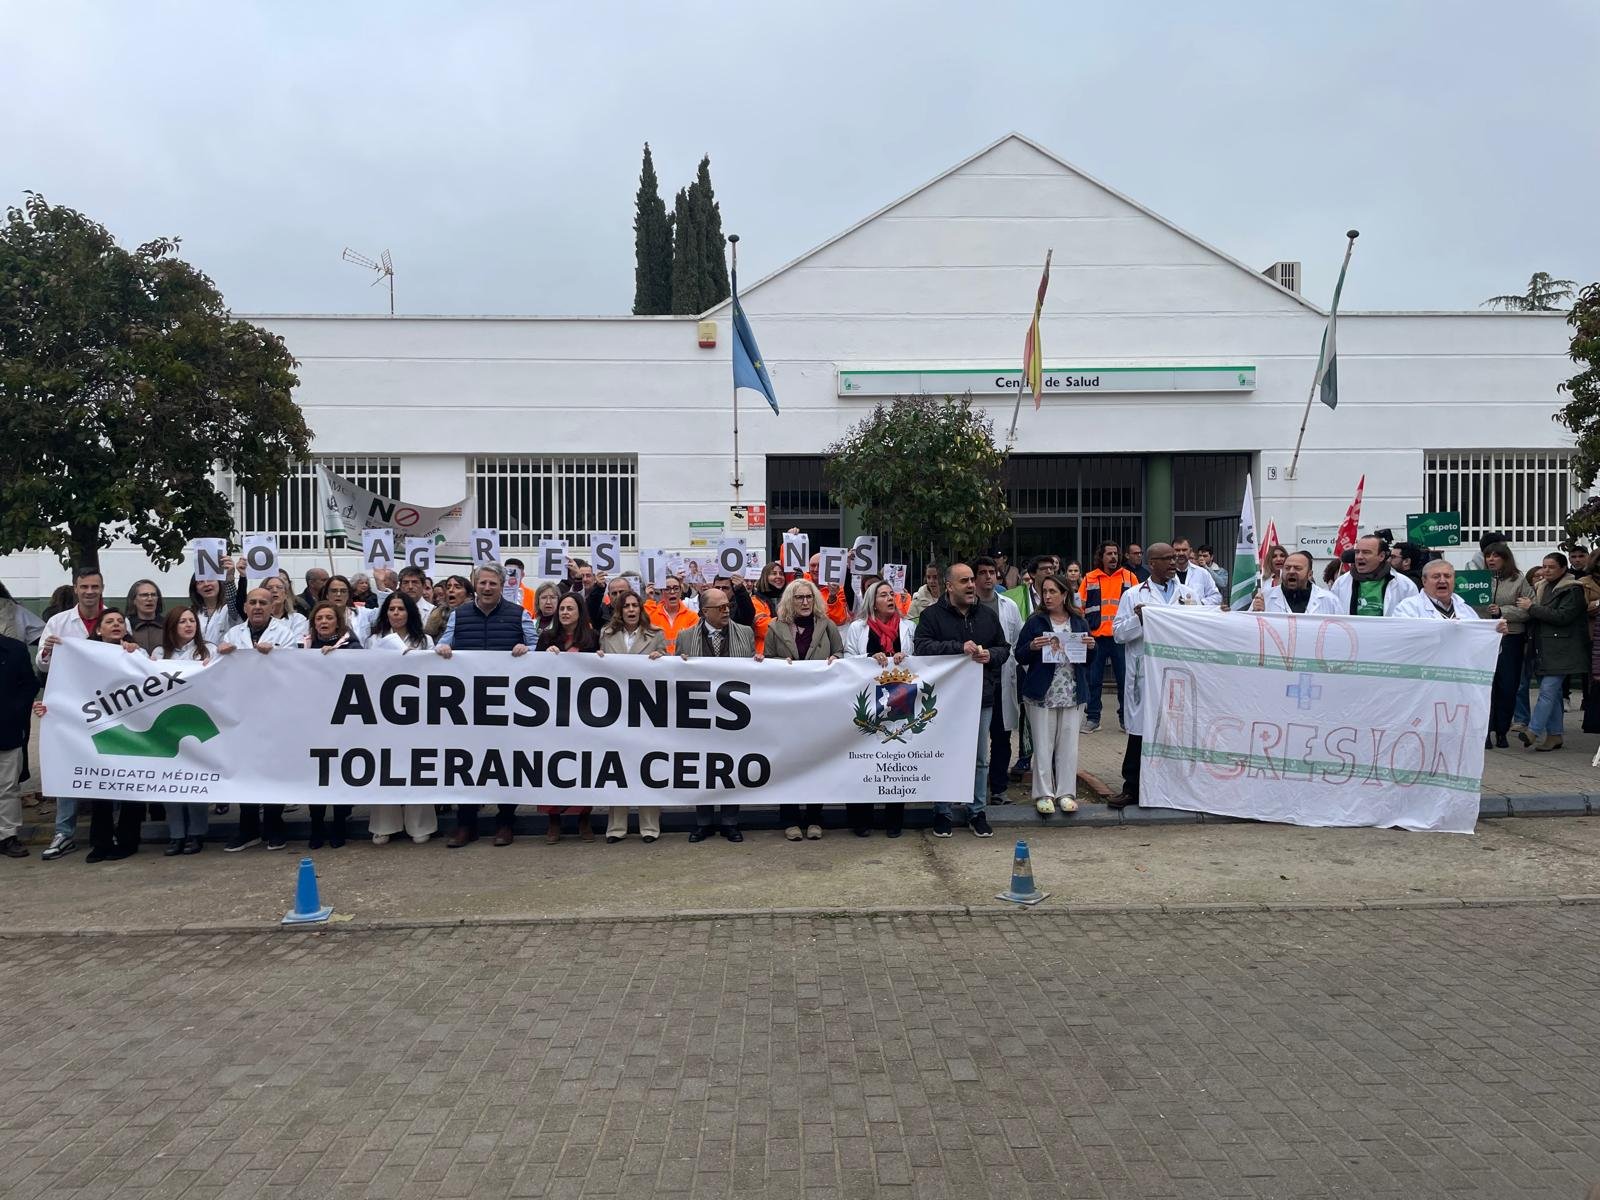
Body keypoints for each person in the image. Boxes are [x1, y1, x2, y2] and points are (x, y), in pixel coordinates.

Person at [436, 564, 541, 847]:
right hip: (468, 706)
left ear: (501, 585)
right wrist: (443, 649)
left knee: (506, 764)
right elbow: (443, 644)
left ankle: (506, 822)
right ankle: (465, 824)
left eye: (492, 583)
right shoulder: (459, 615)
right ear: (475, 585)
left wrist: (526, 650)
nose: (487, 588)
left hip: (507, 705)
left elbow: (537, 647)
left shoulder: (519, 614)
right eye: (482, 583)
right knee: (467, 765)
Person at [914, 562, 1008, 838]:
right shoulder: (931, 616)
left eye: (971, 581)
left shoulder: (988, 616)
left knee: (980, 758)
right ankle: (942, 812)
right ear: (949, 586)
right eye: (964, 581)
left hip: (981, 697)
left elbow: (1004, 648)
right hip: (944, 701)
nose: (971, 585)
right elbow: (921, 648)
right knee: (945, 755)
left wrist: (991, 655)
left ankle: (976, 810)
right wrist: (958, 648)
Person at [1109, 543, 1199, 809]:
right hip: (1145, 673)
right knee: (1139, 731)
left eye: (1175, 557)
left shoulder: (1189, 594)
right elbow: (1118, 634)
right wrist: (1139, 619)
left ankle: (1176, 788)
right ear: (1152, 563)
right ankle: (1132, 788)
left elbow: (1199, 627)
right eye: (1167, 558)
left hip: (1177, 672)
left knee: (1174, 730)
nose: (1174, 561)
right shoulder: (1134, 595)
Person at [218, 589, 300, 851]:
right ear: (244, 607)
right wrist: (221, 653)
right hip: (242, 714)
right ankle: (248, 828)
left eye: (263, 603)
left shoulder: (284, 634)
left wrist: (275, 653)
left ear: (272, 606)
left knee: (273, 770)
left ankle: (275, 827)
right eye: (252, 602)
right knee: (245, 771)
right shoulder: (233, 635)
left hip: (275, 713)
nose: (257, 607)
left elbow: (295, 667)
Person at [763, 578, 844, 839]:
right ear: (790, 600)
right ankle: (790, 819)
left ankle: (814, 818)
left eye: (809, 597)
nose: (805, 602)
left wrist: (836, 660)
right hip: (788, 708)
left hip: (819, 707)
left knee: (816, 761)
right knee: (789, 762)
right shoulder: (775, 628)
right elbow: (767, 660)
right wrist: (779, 662)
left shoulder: (827, 626)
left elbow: (841, 654)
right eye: (799, 597)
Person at [677, 587, 759, 842]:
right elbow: (675, 674)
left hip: (734, 714)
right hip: (699, 715)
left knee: (731, 767)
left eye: (728, 606)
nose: (726, 610)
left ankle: (730, 822)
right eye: (720, 607)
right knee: (703, 768)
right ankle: (703, 822)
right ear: (704, 611)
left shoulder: (745, 634)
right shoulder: (686, 636)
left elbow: (753, 674)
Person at [1013, 574, 1094, 818]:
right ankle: (1044, 794)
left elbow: (1089, 659)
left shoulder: (1078, 622)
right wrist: (1032, 647)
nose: (1047, 596)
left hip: (1072, 691)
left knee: (1068, 746)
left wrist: (1092, 646)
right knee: (1043, 744)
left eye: (1052, 592)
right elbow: (1019, 654)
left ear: (1064, 595)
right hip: (1042, 693)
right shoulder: (1036, 621)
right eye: (1044, 591)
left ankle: (1066, 793)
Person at [841, 580, 917, 837]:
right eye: (883, 595)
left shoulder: (908, 628)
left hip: (899, 701)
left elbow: (920, 661)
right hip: (865, 702)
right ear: (872, 601)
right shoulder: (857, 628)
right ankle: (861, 820)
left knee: (895, 759)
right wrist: (868, 659)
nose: (889, 598)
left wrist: (905, 659)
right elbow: (848, 659)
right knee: (863, 760)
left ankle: (894, 820)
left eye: (891, 594)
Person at [597, 591, 667, 843]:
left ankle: (649, 827)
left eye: (635, 605)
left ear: (641, 608)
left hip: (647, 711)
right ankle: (617, 827)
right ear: (619, 609)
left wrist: (663, 659)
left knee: (647, 766)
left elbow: (670, 671)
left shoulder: (656, 634)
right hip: (616, 712)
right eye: (625, 606)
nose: (630, 610)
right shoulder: (606, 634)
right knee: (617, 767)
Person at [538, 594, 600, 842]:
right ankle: (553, 820)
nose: (564, 612)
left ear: (580, 612)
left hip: (584, 714)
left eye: (570, 608)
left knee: (583, 765)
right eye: (562, 608)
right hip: (553, 713)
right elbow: (532, 671)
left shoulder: (592, 639)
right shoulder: (547, 638)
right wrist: (544, 654)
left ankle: (583, 818)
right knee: (552, 765)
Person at [1517, 552, 1588, 752]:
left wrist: (1532, 608)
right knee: (1554, 695)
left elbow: (1562, 616)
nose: (1545, 570)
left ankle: (1533, 730)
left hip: (1562, 650)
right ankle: (1555, 735)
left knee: (1547, 691)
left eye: (1551, 567)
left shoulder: (1572, 590)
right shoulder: (1540, 587)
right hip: (1542, 648)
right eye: (1544, 566)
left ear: (1563, 569)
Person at [972, 556, 1023, 803]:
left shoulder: (1008, 606)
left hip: (1003, 680)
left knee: (1001, 738)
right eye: (982, 573)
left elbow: (1017, 640)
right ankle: (970, 790)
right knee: (973, 741)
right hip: (974, 685)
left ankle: (999, 789)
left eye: (992, 572)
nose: (988, 577)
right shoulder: (966, 607)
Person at [1079, 543, 1138, 733]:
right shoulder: (1090, 578)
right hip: (1096, 637)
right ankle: (1093, 718)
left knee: (1124, 680)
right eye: (1109, 554)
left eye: (1116, 553)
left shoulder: (1130, 578)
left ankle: (1125, 718)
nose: (1113, 557)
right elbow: (1080, 607)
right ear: (1101, 556)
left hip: (1121, 638)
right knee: (1093, 680)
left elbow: (1138, 604)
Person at [1481, 543, 1533, 748]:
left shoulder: (1518, 580)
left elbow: (1527, 609)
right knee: (1487, 686)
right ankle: (1485, 730)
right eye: (1487, 556)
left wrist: (1502, 611)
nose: (1491, 559)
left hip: (1511, 638)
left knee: (1508, 686)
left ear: (1505, 558)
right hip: (1484, 638)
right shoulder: (1479, 580)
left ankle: (1502, 730)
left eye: (1496, 556)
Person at [0, 627, 41, 859]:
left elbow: (30, 685)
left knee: (7, 787)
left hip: (6, 729)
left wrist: (14, 711)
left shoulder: (14, 650)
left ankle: (7, 836)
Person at [36, 566, 107, 673]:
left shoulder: (119, 620)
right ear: (75, 589)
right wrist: (47, 651)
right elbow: (43, 667)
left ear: (102, 588)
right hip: (70, 686)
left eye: (95, 587)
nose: (89, 591)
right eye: (84, 587)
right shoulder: (57, 622)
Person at [1330, 534, 1419, 616]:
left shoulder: (1405, 585)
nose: (1359, 557)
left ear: (1381, 556)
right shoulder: (1341, 583)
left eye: (1366, 552)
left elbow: (1414, 617)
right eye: (1357, 552)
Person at [1395, 560, 1507, 624]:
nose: (1442, 580)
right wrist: (1445, 629)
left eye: (1447, 576)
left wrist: (1495, 634)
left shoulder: (1466, 610)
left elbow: (1478, 646)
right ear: (1424, 581)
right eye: (1436, 576)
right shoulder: (1407, 608)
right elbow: (1403, 641)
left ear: (1454, 580)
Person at [1251, 551, 1340, 614]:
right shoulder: (1264, 599)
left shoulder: (1330, 600)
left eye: (1297, 568)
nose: (1291, 571)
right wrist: (1255, 614)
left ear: (1310, 574)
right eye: (1287, 568)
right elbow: (1249, 632)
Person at [645, 576, 699, 652]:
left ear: (681, 592)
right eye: (667, 589)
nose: (672, 592)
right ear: (661, 593)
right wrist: (650, 600)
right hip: (659, 661)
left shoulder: (692, 617)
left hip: (682, 662)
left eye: (676, 588)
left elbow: (696, 645)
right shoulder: (652, 615)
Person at [188, 565, 236, 647]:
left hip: (224, 657)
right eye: (200, 581)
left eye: (211, 579)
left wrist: (229, 577)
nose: (206, 584)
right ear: (196, 589)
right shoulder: (191, 612)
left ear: (219, 583)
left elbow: (232, 598)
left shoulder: (229, 609)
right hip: (196, 657)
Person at [369, 592, 433, 652]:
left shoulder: (426, 641)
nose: (395, 613)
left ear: (410, 613)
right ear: (386, 613)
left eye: (401, 609)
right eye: (391, 609)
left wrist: (415, 657)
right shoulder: (374, 640)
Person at [1170, 539, 1222, 607]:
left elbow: (1217, 597)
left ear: (1190, 551)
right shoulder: (1164, 575)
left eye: (1184, 550)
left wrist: (1199, 603)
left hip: (1196, 615)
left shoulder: (1202, 573)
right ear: (1171, 551)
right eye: (1177, 550)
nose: (1181, 553)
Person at [123, 580, 166, 653]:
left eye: (153, 595)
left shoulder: (168, 625)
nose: (150, 599)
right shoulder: (126, 627)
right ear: (134, 600)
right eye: (144, 595)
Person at [425, 574, 472, 641]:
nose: (451, 590)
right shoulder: (437, 615)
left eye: (457, 587)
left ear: (468, 595)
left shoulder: (474, 614)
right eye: (448, 587)